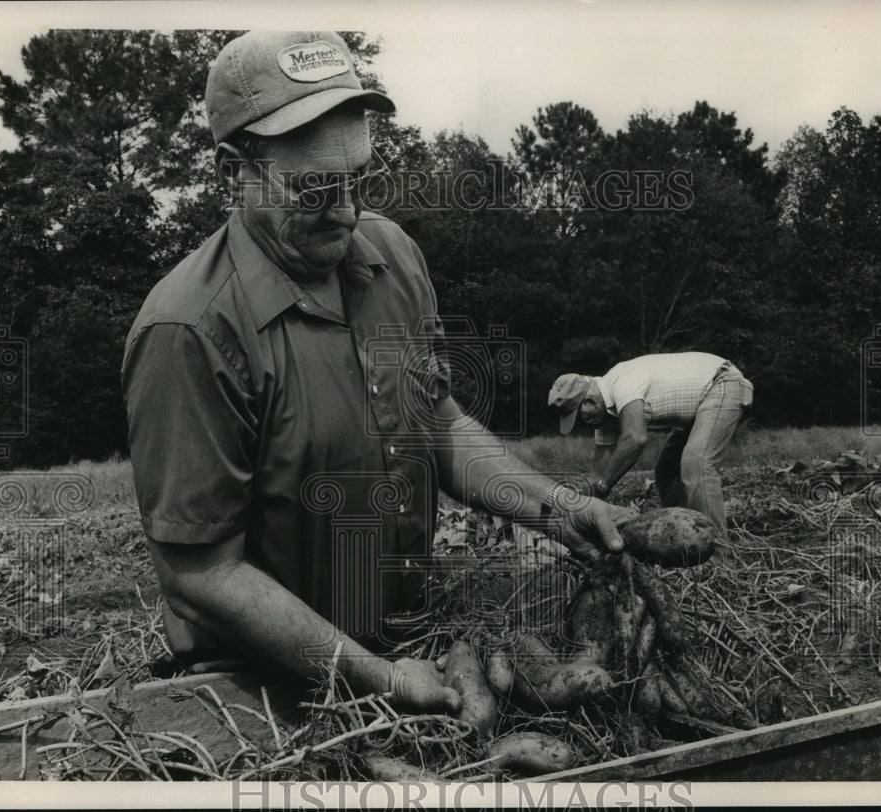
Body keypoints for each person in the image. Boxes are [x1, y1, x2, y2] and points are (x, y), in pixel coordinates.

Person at [122, 31, 628, 716]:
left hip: (410, 644)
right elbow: (203, 574)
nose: (348, 211)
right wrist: (376, 678)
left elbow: (438, 424)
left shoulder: (392, 258)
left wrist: (556, 510)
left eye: (358, 178)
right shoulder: (190, 332)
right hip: (258, 695)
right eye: (313, 188)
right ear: (229, 173)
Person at [548, 352, 753, 531]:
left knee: (697, 463)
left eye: (581, 417)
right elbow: (596, 477)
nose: (585, 424)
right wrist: (569, 506)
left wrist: (604, 487)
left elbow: (635, 438)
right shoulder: (604, 419)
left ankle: (716, 553)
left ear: (590, 401)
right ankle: (687, 533)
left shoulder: (621, 383)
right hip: (699, 405)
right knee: (666, 471)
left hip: (722, 382)